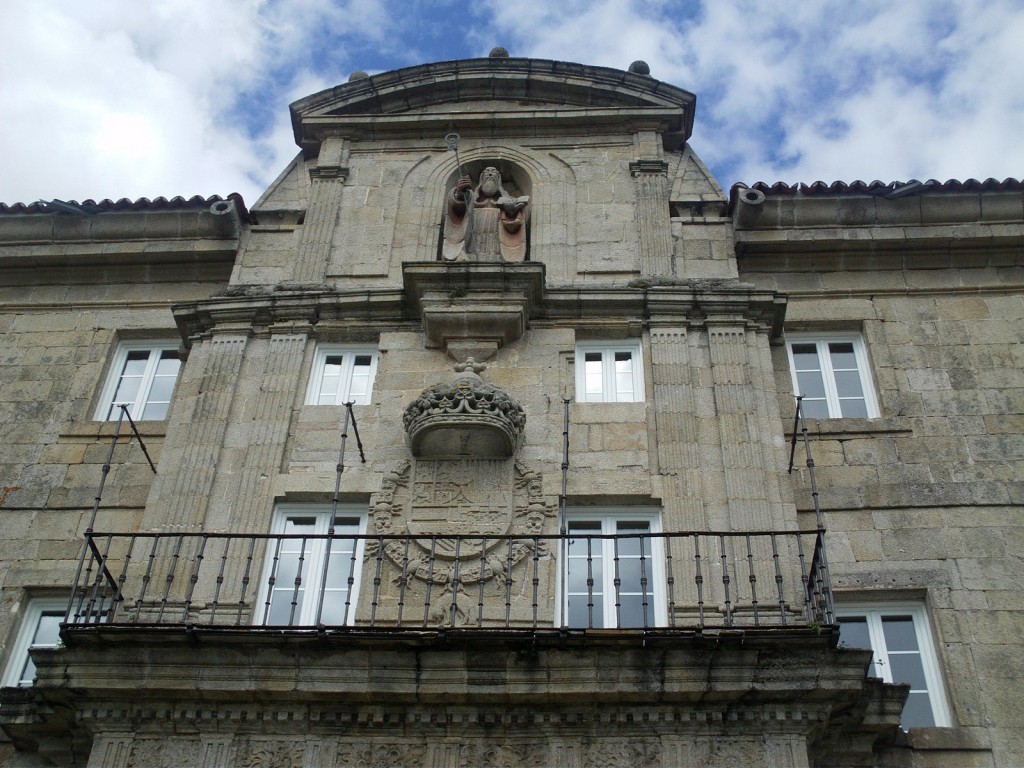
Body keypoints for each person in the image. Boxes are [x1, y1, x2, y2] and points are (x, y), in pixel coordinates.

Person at [443, 167, 529, 262]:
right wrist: (459, 192)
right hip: (473, 236)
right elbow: (457, 208)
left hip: (497, 242)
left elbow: (515, 222)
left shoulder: (508, 199)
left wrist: (511, 211)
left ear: (499, 179)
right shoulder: (470, 197)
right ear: (481, 178)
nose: (490, 174)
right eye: (487, 172)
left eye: (494, 172)